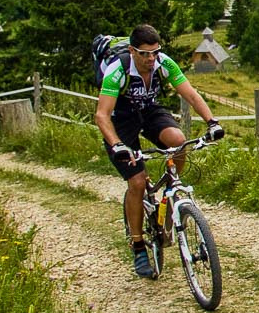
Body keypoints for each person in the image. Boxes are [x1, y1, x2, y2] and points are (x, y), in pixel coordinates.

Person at [94, 24, 223, 278]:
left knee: (178, 141)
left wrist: (212, 123)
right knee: (137, 181)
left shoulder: (163, 62)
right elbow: (102, 115)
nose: (151, 59)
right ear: (132, 51)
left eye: (155, 52)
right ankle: (138, 245)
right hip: (120, 119)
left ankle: (170, 189)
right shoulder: (117, 70)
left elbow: (191, 95)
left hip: (149, 110)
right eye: (145, 54)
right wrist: (117, 144)